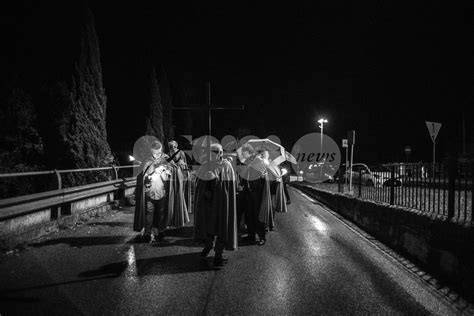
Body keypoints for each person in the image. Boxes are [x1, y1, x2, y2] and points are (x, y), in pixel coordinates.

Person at [193, 143, 237, 266]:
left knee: (222, 227)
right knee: (209, 229)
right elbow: (199, 184)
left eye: (215, 152)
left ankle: (218, 255)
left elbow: (228, 187)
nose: (212, 155)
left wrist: (215, 179)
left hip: (222, 204)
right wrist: (206, 180)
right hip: (208, 204)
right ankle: (206, 249)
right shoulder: (205, 165)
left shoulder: (226, 166)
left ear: (220, 153)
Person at [133, 140, 172, 243]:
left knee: (161, 213)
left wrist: (164, 171)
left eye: (158, 153)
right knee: (149, 213)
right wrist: (153, 173)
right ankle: (147, 233)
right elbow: (145, 176)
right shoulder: (147, 160)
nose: (157, 155)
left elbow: (166, 178)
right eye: (155, 153)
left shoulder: (164, 160)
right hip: (150, 191)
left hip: (161, 191)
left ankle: (161, 231)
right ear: (152, 151)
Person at [239, 144, 268, 245]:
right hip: (248, 191)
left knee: (257, 215)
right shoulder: (247, 162)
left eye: (244, 153)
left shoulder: (259, 160)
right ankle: (251, 235)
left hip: (257, 192)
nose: (242, 155)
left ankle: (262, 237)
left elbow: (263, 174)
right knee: (248, 214)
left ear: (249, 152)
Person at [167, 140, 192, 213]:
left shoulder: (181, 153)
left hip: (181, 172)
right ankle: (174, 207)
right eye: (171, 146)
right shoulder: (168, 154)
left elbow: (185, 163)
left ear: (176, 145)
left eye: (174, 146)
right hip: (172, 173)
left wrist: (186, 171)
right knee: (173, 190)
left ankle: (182, 208)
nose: (173, 147)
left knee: (181, 189)